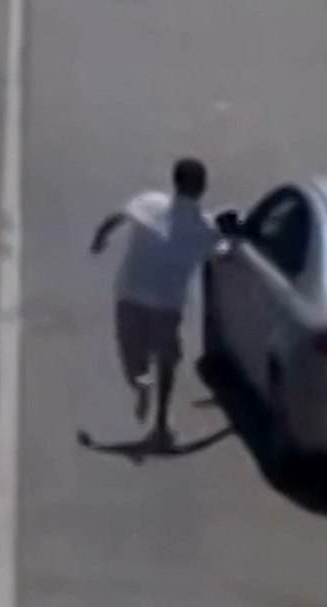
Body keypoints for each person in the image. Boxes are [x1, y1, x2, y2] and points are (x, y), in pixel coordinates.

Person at [90, 157, 222, 451]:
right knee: (166, 362)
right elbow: (225, 249)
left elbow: (116, 219)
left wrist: (100, 238)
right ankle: (160, 421)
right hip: (167, 304)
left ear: (175, 182)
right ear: (203, 187)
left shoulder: (149, 203)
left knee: (132, 354)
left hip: (131, 295)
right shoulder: (205, 227)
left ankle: (142, 386)